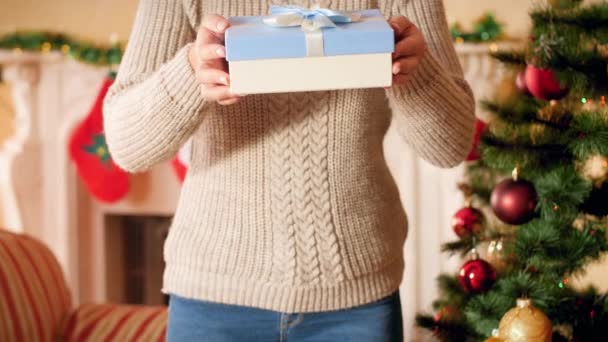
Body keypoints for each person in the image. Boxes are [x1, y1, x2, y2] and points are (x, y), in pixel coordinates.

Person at [103, 0, 475, 341]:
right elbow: (127, 145)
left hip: (355, 301)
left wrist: (417, 70)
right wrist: (191, 72)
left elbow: (450, 147)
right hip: (211, 297)